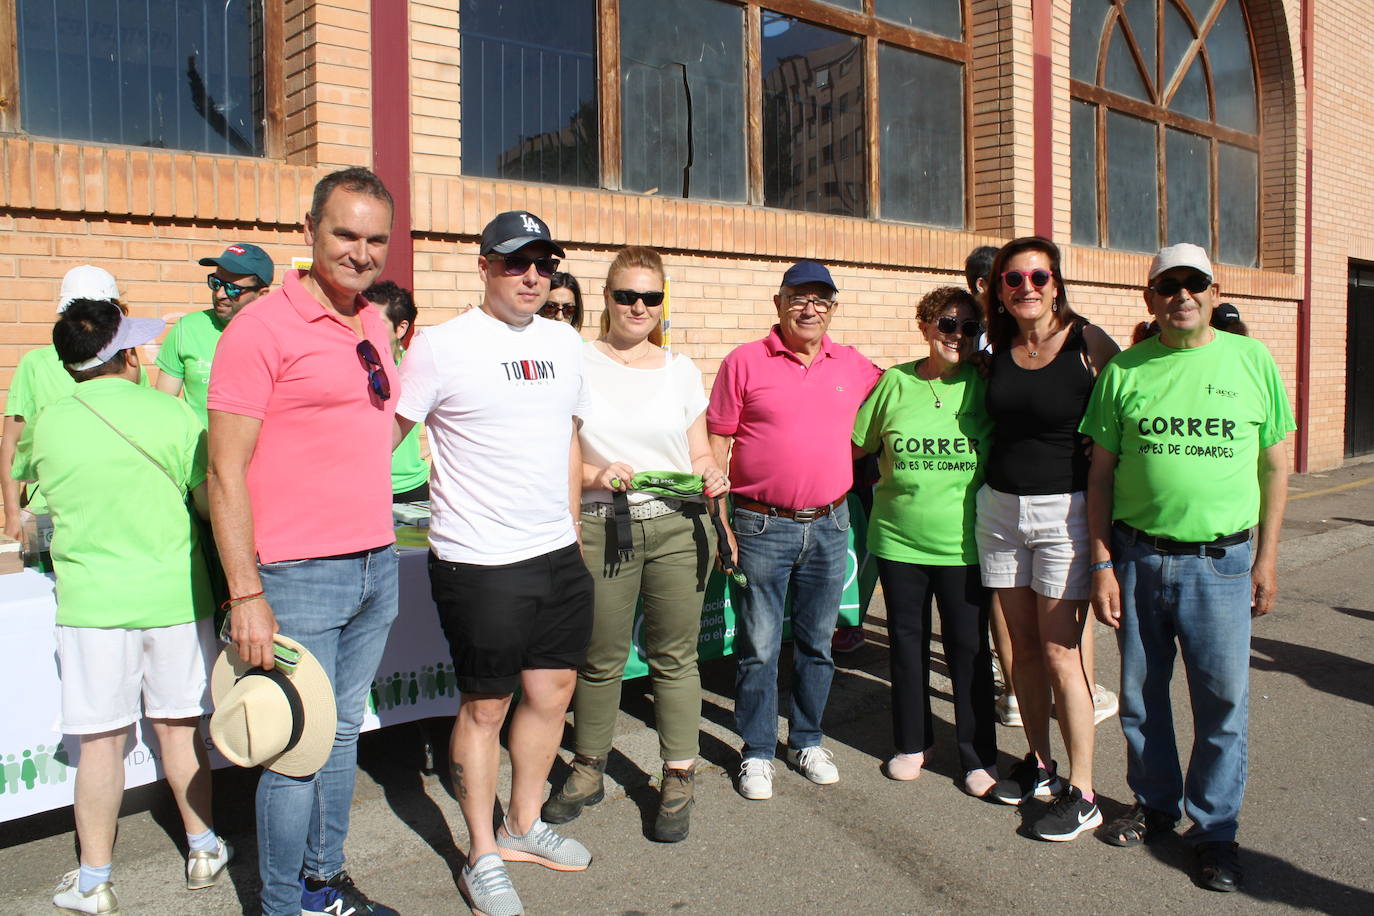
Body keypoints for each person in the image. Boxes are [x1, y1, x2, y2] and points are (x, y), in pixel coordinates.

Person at [208, 167, 401, 916]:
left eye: (375, 238)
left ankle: (323, 882)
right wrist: (246, 592)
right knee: (292, 752)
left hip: (373, 564)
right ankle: (282, 906)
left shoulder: (372, 320)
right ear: (310, 230)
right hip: (294, 575)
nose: (360, 251)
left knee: (341, 733)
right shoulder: (261, 327)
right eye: (344, 234)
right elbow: (224, 472)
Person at [395, 210, 595, 916]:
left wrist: (570, 527)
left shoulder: (566, 344)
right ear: (483, 266)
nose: (533, 275)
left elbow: (569, 437)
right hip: (479, 561)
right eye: (516, 262)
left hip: (555, 553)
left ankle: (523, 823)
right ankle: (480, 852)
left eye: (543, 262)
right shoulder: (443, 347)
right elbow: (387, 434)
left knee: (553, 691)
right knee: (486, 706)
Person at [1083, 243, 1293, 892]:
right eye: (1167, 286)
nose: (1181, 296)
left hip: (1221, 564)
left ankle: (1215, 832)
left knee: (1222, 702)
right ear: (1149, 298)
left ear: (1213, 290)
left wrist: (1268, 559)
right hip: (1140, 558)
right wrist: (1102, 564)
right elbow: (1099, 477)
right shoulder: (1125, 372)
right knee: (1143, 700)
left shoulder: (1251, 360)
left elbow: (1275, 466)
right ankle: (1154, 807)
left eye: (1193, 284)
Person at [26, 300, 229, 915]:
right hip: (173, 595)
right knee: (179, 728)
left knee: (100, 744)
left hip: (91, 604)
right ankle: (202, 848)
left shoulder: (49, 423)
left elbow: (40, 504)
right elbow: (206, 501)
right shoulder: (172, 414)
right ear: (123, 355)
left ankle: (95, 880)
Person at [541, 246, 727, 843]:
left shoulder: (680, 369)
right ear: (608, 300)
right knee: (601, 656)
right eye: (627, 296)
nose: (639, 307)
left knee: (675, 656)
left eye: (651, 296)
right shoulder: (577, 362)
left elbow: (698, 450)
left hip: (678, 524)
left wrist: (710, 472)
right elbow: (561, 453)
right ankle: (589, 764)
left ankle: (678, 773)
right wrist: (597, 477)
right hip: (604, 524)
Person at [708, 260, 882, 800]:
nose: (810, 309)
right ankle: (757, 750)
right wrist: (720, 521)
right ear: (778, 303)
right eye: (799, 298)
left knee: (817, 642)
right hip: (761, 525)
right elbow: (717, 443)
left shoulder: (852, 364)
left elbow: (904, 396)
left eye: (821, 300)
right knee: (759, 647)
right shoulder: (743, 361)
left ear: (833, 309)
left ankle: (806, 739)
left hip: (830, 524)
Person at [976, 236, 1119, 841]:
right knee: (1021, 653)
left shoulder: (1090, 343)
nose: (1026, 288)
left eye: (1038, 277)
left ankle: (1084, 792)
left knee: (1063, 655)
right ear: (999, 291)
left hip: (1066, 513)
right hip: (1000, 511)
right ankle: (1039, 763)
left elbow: (1124, 418)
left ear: (1056, 282)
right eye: (1013, 280)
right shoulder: (995, 348)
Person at [852, 286, 999, 796]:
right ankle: (913, 742)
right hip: (899, 541)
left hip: (965, 545)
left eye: (968, 327)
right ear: (924, 326)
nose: (956, 335)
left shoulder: (985, 385)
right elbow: (854, 444)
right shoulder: (894, 383)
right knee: (907, 645)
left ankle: (978, 756)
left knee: (968, 649)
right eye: (946, 324)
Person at [3, 266, 128, 544]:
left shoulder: (124, 362)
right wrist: (12, 515)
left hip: (115, 508)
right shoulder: (35, 364)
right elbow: (12, 443)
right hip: (50, 512)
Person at [963, 244, 1020, 727]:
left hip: (1027, 485)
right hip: (997, 489)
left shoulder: (1018, 335)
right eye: (1008, 279)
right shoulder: (981, 342)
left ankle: (1016, 685)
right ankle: (1014, 689)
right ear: (987, 286)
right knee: (1001, 593)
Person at [155, 243, 275, 427]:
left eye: (233, 289)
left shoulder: (278, 337)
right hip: (197, 454)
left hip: (259, 454)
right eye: (216, 283)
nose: (220, 294)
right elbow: (163, 407)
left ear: (262, 294)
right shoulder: (186, 329)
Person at [363, 281, 430, 503]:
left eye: (375, 322)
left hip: (410, 489)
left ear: (401, 328)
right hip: (363, 486)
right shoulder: (348, 366)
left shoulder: (416, 368)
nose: (365, 328)